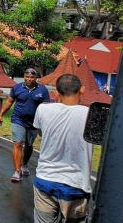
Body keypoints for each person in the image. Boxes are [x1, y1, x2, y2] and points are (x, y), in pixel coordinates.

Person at [33, 74, 92, 223]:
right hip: (76, 185)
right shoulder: (91, 114)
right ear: (82, 90)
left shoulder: (42, 109)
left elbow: (41, 132)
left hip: (45, 180)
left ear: (55, 93)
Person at [0, 67, 50, 183]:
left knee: (29, 146)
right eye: (27, 77)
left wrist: (43, 125)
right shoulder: (17, 88)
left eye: (32, 77)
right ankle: (17, 171)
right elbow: (9, 102)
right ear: (24, 76)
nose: (29, 79)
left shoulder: (42, 90)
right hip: (18, 119)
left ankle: (24, 164)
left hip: (34, 123)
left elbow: (46, 108)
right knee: (18, 143)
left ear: (36, 78)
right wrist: (0, 114)